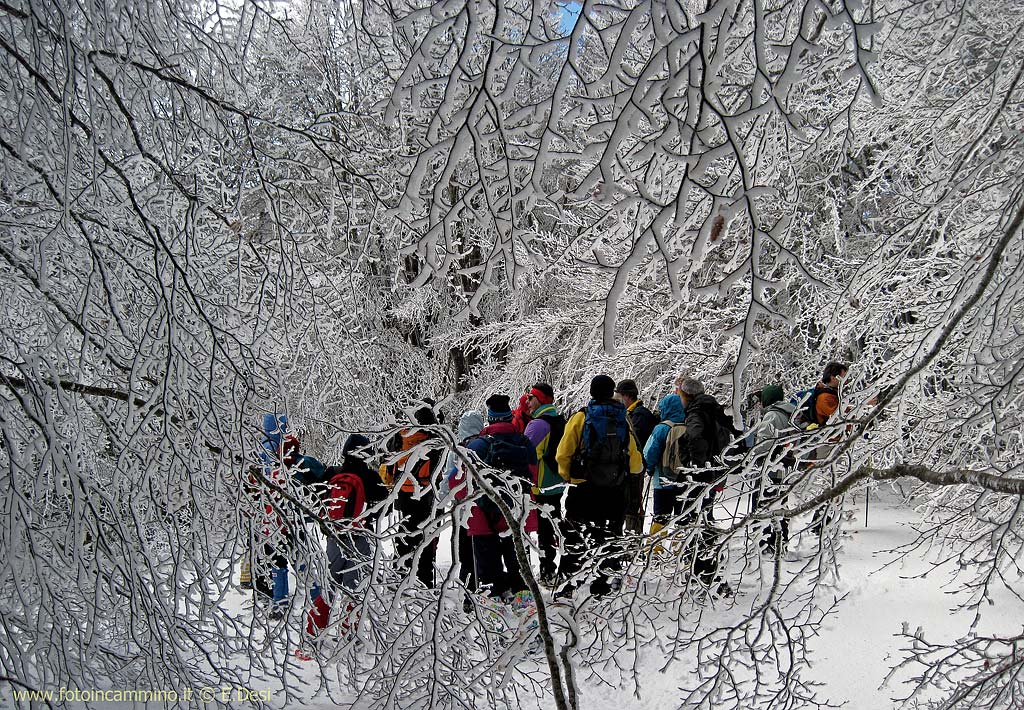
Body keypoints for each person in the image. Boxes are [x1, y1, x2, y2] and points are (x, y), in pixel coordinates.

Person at [555, 375, 644, 597]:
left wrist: (568, 476)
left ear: (592, 392)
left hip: (584, 488)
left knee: (575, 535)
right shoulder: (623, 418)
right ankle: (605, 583)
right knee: (610, 535)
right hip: (614, 490)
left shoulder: (581, 417)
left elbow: (563, 453)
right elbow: (635, 462)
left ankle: (568, 584)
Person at [453, 395, 537, 602]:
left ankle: (493, 609)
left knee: (487, 568)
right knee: (519, 564)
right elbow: (534, 478)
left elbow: (460, 485)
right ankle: (525, 608)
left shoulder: (476, 446)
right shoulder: (525, 444)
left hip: (483, 517)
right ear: (510, 418)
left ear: (489, 419)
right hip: (518, 512)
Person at [306, 434, 379, 637]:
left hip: (334, 537)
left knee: (327, 585)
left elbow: (315, 499)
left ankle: (314, 632)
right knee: (353, 588)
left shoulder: (332, 473)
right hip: (360, 539)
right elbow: (385, 508)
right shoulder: (371, 477)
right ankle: (349, 635)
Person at [675, 378, 734, 590]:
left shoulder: (696, 412)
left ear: (686, 396)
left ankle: (701, 571)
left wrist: (693, 466)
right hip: (715, 474)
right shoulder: (715, 409)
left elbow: (695, 437)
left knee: (696, 523)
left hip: (700, 478)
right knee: (704, 519)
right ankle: (709, 569)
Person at [386, 400, 444, 589]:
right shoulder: (434, 439)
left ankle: (401, 575)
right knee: (426, 538)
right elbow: (438, 468)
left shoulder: (403, 436)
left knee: (404, 535)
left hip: (403, 493)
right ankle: (425, 580)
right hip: (427, 493)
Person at [522, 383, 566, 586]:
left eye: (531, 397)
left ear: (540, 400)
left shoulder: (538, 425)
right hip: (557, 482)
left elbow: (525, 453)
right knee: (553, 524)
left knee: (543, 529)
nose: (527, 401)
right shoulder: (559, 419)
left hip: (539, 485)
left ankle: (547, 571)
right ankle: (558, 567)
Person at [442, 410, 485, 599]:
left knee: (464, 550)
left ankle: (467, 589)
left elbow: (447, 477)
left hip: (462, 509)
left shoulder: (457, 449)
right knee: (482, 549)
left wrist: (441, 498)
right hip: (483, 508)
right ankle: (483, 585)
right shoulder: (485, 444)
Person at [750, 385, 797, 555]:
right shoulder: (791, 413)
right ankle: (780, 541)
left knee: (764, 505)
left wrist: (751, 456)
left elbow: (764, 445)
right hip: (784, 468)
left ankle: (766, 542)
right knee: (780, 505)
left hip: (770, 469)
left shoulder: (772, 415)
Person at [642, 392, 687, 543]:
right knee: (683, 516)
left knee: (661, 515)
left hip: (663, 479)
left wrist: (648, 468)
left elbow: (650, 452)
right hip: (685, 479)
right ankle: (679, 548)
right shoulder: (689, 425)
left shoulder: (661, 428)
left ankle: (655, 549)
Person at [615, 379, 658, 534]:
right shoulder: (633, 414)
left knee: (633, 505)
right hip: (632, 469)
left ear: (627, 396)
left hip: (635, 470)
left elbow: (635, 442)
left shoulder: (639, 415)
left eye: (619, 396)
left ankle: (633, 539)